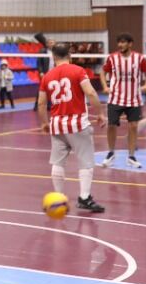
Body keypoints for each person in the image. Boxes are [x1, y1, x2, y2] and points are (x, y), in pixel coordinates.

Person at [35, 43, 105, 214]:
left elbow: (41, 103)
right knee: (86, 161)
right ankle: (84, 198)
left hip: (57, 125)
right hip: (77, 124)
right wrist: (100, 113)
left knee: (58, 162)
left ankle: (58, 198)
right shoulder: (78, 71)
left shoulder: (47, 76)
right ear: (70, 55)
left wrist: (44, 122)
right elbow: (91, 93)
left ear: (53, 57)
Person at [98, 33, 146, 169]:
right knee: (111, 125)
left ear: (130, 44)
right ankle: (111, 153)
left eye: (123, 42)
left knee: (133, 126)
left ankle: (131, 156)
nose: (120, 44)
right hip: (115, 98)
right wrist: (105, 86)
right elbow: (102, 72)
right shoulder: (112, 58)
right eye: (119, 42)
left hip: (134, 98)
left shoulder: (139, 58)